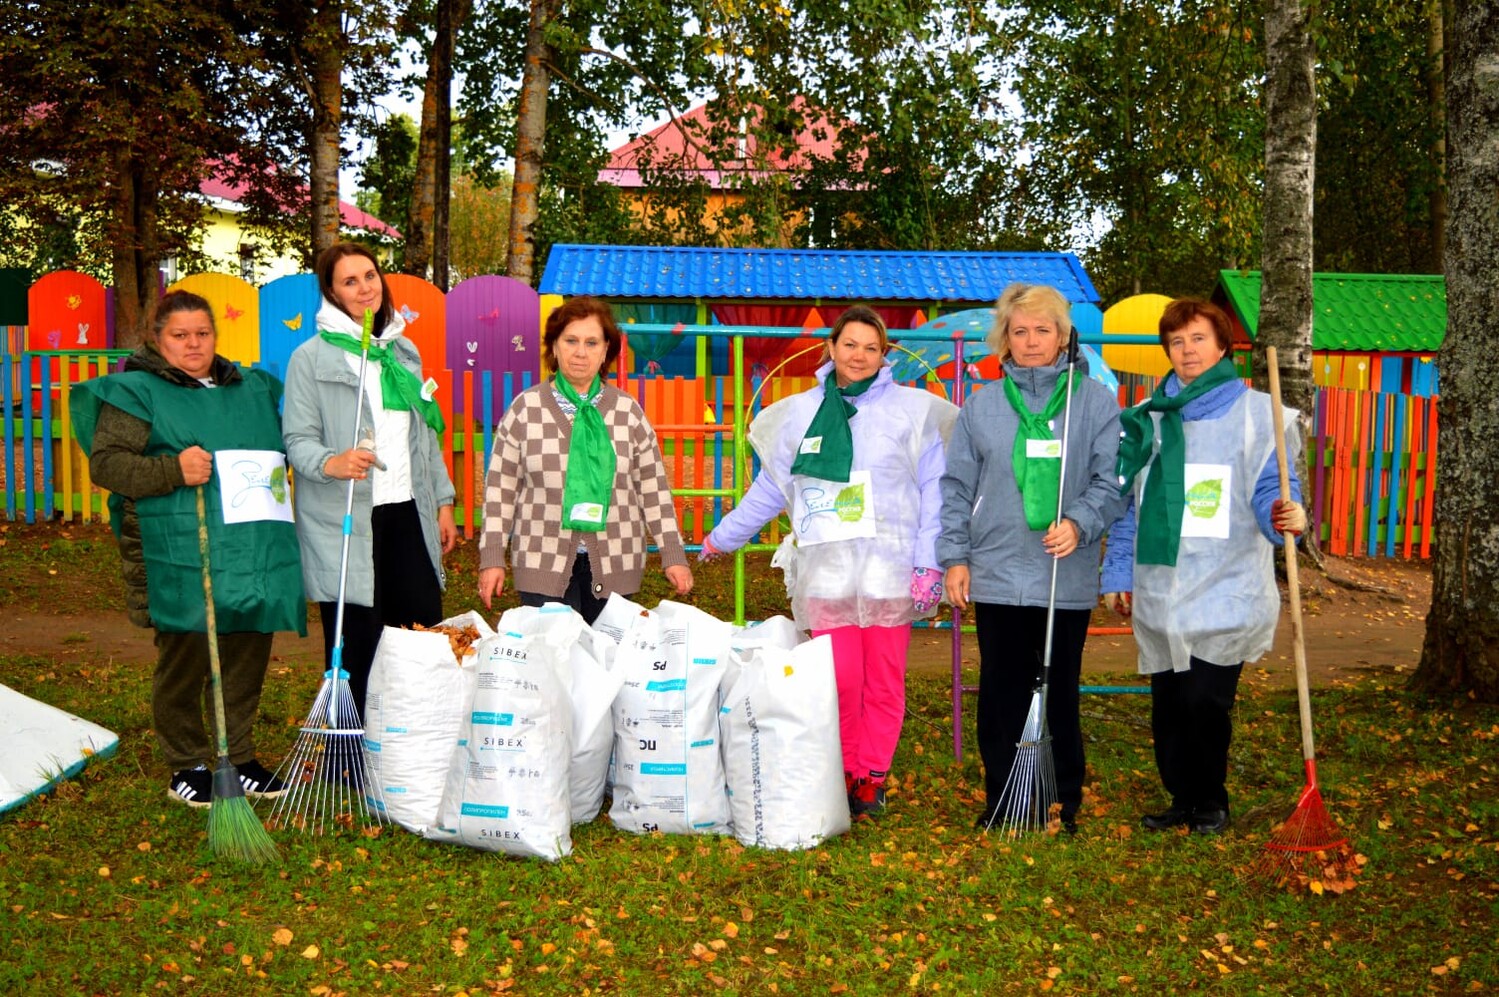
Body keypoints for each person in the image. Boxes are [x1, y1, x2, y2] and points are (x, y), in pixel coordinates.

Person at [701, 305, 959, 817]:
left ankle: (872, 777)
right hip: (828, 574)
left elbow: (936, 493)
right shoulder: (799, 415)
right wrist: (720, 539)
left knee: (883, 681)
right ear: (831, 348)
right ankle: (842, 768)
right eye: (850, 345)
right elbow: (771, 489)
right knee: (838, 682)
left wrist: (929, 562)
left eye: (871, 347)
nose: (859, 356)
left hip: (889, 574)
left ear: (884, 354)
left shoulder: (914, 413)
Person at [71, 291, 305, 808]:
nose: (193, 344)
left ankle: (237, 755)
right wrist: (172, 469)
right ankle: (188, 761)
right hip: (178, 544)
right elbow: (107, 464)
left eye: (203, 333)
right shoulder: (135, 392)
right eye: (180, 335)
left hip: (249, 545)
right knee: (188, 650)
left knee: (247, 645)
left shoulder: (251, 388)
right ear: (157, 339)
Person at [1101, 297, 1307, 835]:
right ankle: (1181, 799)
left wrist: (1284, 516)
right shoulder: (1148, 420)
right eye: (1176, 341)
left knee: (1205, 700)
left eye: (1198, 339)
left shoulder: (1258, 416)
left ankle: (1210, 800)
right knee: (1169, 702)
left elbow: (1273, 489)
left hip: (1226, 583)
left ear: (1221, 347)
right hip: (1162, 586)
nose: (1187, 350)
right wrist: (1118, 573)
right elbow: (1129, 506)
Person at [937, 283, 1126, 833]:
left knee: (1059, 692)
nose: (1031, 340)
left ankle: (1060, 800)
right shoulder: (983, 406)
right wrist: (955, 556)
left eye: (1043, 330)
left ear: (1063, 337)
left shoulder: (1094, 403)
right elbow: (956, 488)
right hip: (997, 572)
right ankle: (1006, 800)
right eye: (1019, 331)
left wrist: (1080, 522)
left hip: (1062, 574)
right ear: (1005, 339)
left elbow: (1111, 481)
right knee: (1001, 692)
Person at [283, 242, 458, 716]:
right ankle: (350, 747)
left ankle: (409, 741)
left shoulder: (402, 352)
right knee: (357, 643)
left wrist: (443, 502)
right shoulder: (311, 359)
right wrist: (331, 462)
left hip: (408, 514)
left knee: (419, 635)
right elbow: (297, 439)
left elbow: (423, 437)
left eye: (370, 276)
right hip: (349, 521)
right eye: (350, 281)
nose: (364, 288)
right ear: (332, 293)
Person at [477, 295, 692, 622]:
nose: (580, 352)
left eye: (592, 343)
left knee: (607, 653)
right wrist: (492, 557)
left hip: (616, 561)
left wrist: (673, 554)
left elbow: (653, 489)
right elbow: (500, 490)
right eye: (571, 340)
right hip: (541, 561)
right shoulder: (525, 410)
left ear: (606, 351)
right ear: (555, 346)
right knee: (552, 654)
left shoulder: (628, 413)